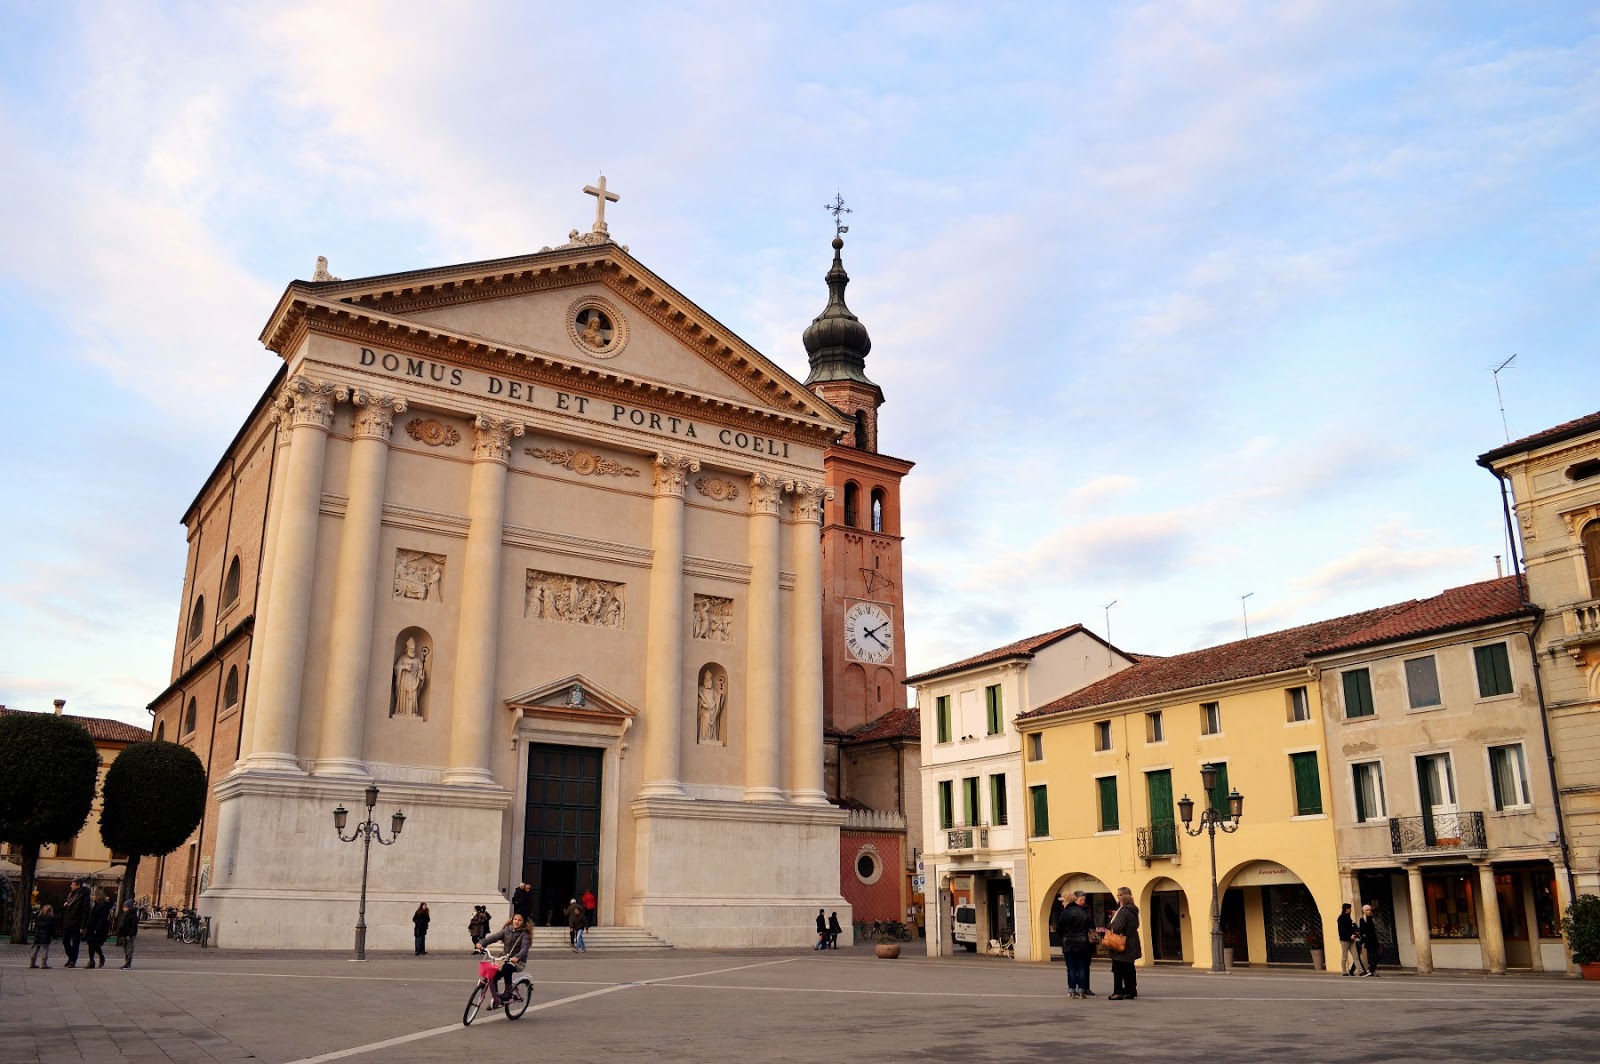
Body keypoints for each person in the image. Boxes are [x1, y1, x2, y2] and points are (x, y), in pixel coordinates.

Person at [479, 914, 532, 1009]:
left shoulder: (525, 934)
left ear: (524, 922)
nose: (516, 921)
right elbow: (495, 937)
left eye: (520, 920)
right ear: (512, 920)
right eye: (515, 919)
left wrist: (517, 957)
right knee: (493, 976)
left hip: (517, 962)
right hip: (504, 958)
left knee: (507, 968)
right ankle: (496, 999)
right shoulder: (507, 930)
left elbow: (524, 948)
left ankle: (508, 992)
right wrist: (482, 943)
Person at [1101, 886, 1142, 1000]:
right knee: (1129, 968)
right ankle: (1131, 990)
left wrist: (1111, 923)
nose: (1117, 897)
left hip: (1121, 943)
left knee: (1118, 968)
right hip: (1131, 942)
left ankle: (1118, 991)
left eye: (1119, 895)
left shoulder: (1123, 911)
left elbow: (1117, 927)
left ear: (1123, 897)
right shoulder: (1133, 909)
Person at [1056, 891, 1095, 999]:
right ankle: (1082, 990)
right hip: (1083, 942)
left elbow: (1059, 928)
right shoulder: (1082, 912)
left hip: (1068, 942)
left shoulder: (1065, 913)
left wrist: (1064, 937)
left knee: (1071, 967)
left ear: (1067, 901)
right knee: (1082, 967)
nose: (1062, 903)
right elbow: (1088, 926)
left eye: (1063, 901)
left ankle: (1072, 990)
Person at [60, 878, 90, 967]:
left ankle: (73, 960)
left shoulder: (83, 895)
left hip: (77, 921)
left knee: (75, 942)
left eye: (73, 884)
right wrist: (66, 905)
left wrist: (82, 926)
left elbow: (85, 911)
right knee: (65, 941)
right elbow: (70, 907)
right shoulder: (71, 894)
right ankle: (71, 957)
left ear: (78, 885)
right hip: (69, 920)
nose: (71, 886)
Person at [84, 890, 113, 969]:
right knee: (90, 944)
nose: (92, 897)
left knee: (95, 944)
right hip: (92, 926)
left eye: (94, 896)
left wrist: (98, 928)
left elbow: (102, 917)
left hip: (99, 927)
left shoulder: (104, 905)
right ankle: (91, 961)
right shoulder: (95, 905)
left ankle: (101, 956)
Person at [1337, 902, 1366, 976]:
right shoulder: (1342, 918)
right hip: (1345, 939)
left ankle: (1360, 971)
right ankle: (1344, 971)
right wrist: (1350, 935)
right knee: (1344, 956)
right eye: (1350, 908)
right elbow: (1343, 929)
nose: (1351, 910)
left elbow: (1350, 928)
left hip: (1351, 939)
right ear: (1347, 909)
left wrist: (1354, 933)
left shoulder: (1348, 917)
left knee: (1356, 956)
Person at [29, 904, 58, 968]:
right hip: (46, 935)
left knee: (36, 948)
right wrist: (55, 937)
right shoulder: (51, 918)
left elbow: (37, 926)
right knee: (45, 949)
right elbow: (52, 929)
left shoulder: (39, 917)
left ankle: (32, 963)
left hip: (39, 934)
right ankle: (43, 964)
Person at [1358, 903, 1381, 977]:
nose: (1369, 911)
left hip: (1374, 940)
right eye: (1367, 910)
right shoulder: (1362, 920)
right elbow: (1362, 930)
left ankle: (1372, 970)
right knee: (1372, 956)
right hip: (1368, 941)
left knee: (1378, 955)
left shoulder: (1372, 918)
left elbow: (1373, 930)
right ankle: (1372, 971)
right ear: (1364, 911)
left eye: (1370, 910)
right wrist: (1364, 936)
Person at [117, 901, 139, 969]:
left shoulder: (132, 915)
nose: (124, 908)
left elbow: (133, 926)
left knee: (129, 949)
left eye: (126, 907)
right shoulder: (125, 915)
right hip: (124, 934)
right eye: (124, 907)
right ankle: (127, 962)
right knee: (125, 949)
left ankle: (128, 963)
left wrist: (131, 935)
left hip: (129, 935)